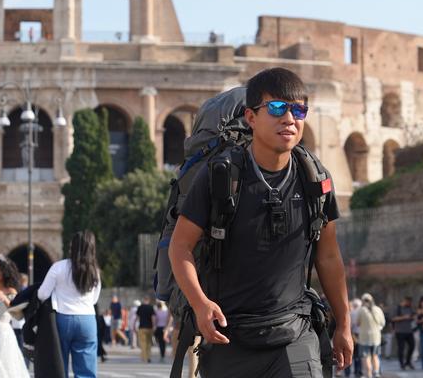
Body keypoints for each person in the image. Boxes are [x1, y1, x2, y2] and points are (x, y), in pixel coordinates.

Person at [169, 67, 351, 378]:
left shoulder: (315, 179)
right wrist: (200, 304)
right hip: (230, 337)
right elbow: (180, 246)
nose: (289, 118)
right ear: (251, 117)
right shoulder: (220, 177)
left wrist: (344, 324)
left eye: (298, 110)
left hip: (295, 334)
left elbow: (329, 257)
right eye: (277, 108)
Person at [38, 230, 102, 378]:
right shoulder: (95, 271)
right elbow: (94, 299)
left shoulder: (58, 267)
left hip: (63, 318)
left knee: (60, 366)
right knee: (86, 370)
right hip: (87, 319)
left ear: (72, 246)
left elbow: (42, 294)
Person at [356, 294, 385, 378]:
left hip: (364, 337)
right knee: (375, 355)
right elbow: (383, 323)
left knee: (366, 357)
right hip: (376, 337)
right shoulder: (378, 309)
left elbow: (357, 323)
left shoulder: (361, 310)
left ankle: (368, 374)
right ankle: (376, 373)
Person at [392, 296, 415, 370]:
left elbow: (412, 316)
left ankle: (408, 362)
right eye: (408, 302)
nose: (409, 303)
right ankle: (402, 364)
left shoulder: (410, 308)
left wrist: (412, 317)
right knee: (401, 348)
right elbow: (393, 319)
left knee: (412, 346)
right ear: (405, 301)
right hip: (400, 331)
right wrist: (404, 317)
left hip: (409, 331)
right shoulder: (398, 308)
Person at [135, 297, 156, 363]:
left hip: (142, 327)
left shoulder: (140, 307)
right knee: (149, 343)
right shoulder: (151, 307)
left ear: (143, 300)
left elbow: (137, 318)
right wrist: (154, 325)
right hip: (149, 327)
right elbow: (153, 317)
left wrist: (135, 325)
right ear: (148, 301)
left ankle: (144, 358)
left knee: (143, 343)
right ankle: (148, 357)